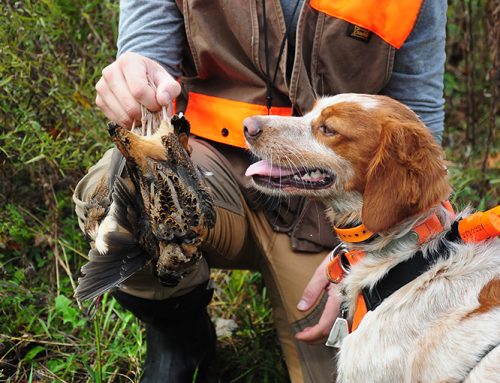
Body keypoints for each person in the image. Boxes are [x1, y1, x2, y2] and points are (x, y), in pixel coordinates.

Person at [74, 0, 447, 382]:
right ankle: (179, 339)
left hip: (328, 217)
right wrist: (135, 77)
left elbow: (416, 115)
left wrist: (372, 250)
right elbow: (144, 56)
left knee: (344, 371)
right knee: (127, 192)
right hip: (204, 169)